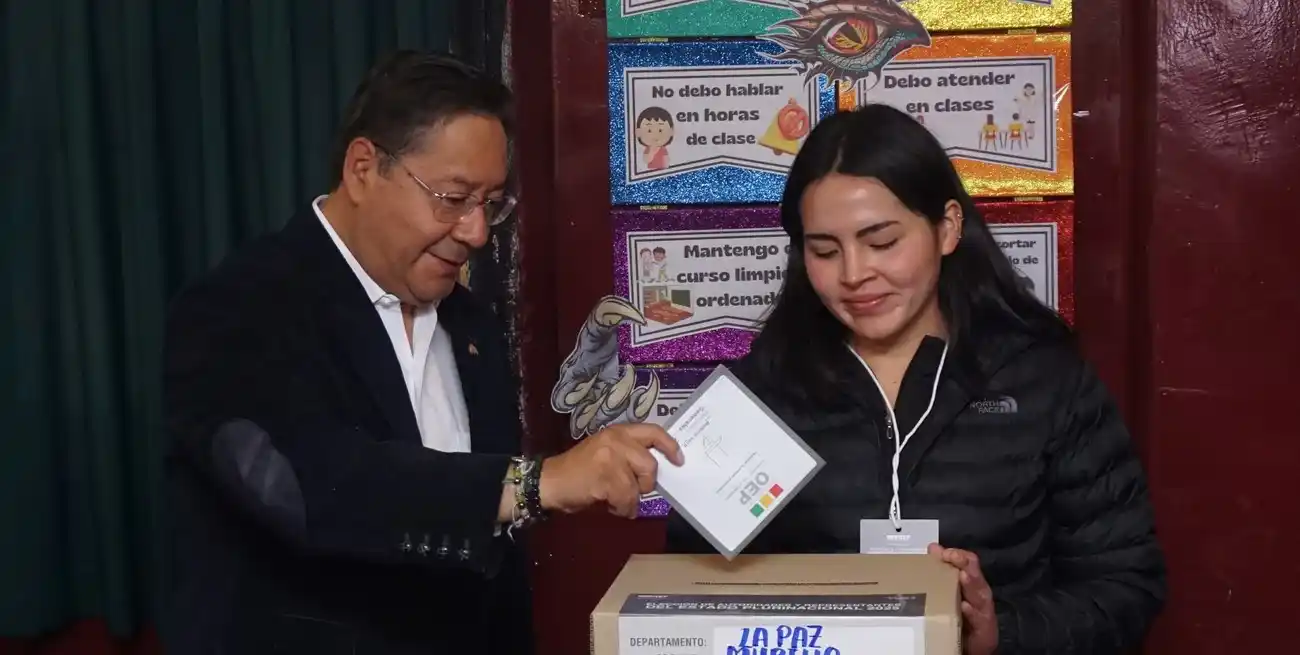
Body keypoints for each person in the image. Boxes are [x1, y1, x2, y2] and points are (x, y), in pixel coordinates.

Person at [162, 51, 681, 655]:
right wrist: (540, 483)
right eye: (453, 197)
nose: (477, 233)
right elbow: (304, 485)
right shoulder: (239, 305)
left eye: (490, 204)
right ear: (363, 169)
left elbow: (491, 548)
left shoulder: (469, 323)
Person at [664, 104, 1165, 654]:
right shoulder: (765, 389)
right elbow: (689, 588)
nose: (854, 274)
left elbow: (1124, 586)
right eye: (825, 251)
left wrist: (1000, 631)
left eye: (882, 242)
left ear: (947, 228)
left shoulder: (1041, 377)